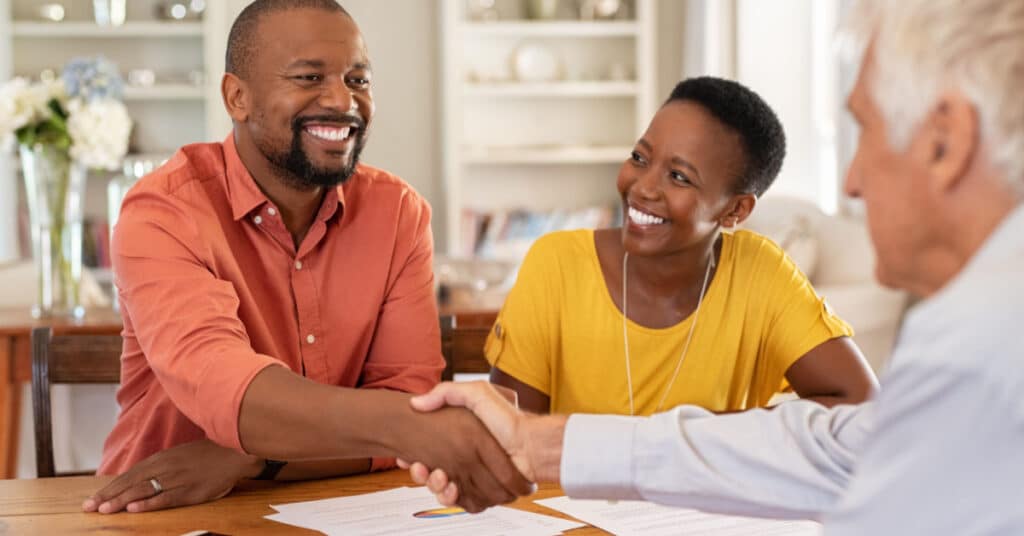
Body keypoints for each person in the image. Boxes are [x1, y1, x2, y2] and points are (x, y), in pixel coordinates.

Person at [404, 0, 1024, 532]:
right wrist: (541, 444)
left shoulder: (979, 351)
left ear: (945, 141)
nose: (853, 182)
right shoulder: (975, 332)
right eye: (641, 158)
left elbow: (858, 435)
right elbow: (841, 446)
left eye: (864, 130)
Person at [81, 0, 530, 515]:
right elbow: (233, 396)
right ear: (237, 97)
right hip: (162, 511)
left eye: (358, 80)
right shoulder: (164, 212)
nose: (343, 101)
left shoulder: (399, 214)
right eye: (309, 77)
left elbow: (406, 398)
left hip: (337, 507)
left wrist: (251, 461)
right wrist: (417, 427)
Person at [487, 76, 877, 417]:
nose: (643, 188)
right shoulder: (557, 263)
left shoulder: (761, 273)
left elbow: (860, 402)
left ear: (735, 210)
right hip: (567, 502)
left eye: (679, 176)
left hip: (702, 505)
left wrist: (688, 438)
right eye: (639, 157)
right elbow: (511, 440)